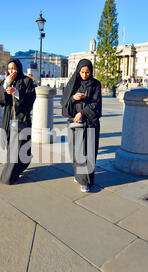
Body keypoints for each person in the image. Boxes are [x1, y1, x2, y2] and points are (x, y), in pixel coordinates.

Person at [61, 59, 102, 193]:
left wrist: (82, 113)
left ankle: (86, 182)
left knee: (88, 152)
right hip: (76, 124)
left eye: (87, 72)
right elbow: (65, 104)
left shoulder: (96, 84)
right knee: (77, 152)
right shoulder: (73, 83)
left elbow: (96, 104)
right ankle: (79, 176)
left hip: (90, 124)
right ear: (78, 71)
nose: (84, 75)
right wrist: (73, 98)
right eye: (82, 72)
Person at [0, 58, 36, 184]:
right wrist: (6, 84)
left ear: (18, 68)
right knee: (11, 146)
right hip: (9, 117)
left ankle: (13, 172)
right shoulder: (7, 80)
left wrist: (17, 93)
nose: (12, 71)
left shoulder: (27, 80)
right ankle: (13, 171)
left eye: (14, 68)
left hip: (21, 118)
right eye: (9, 69)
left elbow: (30, 99)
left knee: (22, 147)